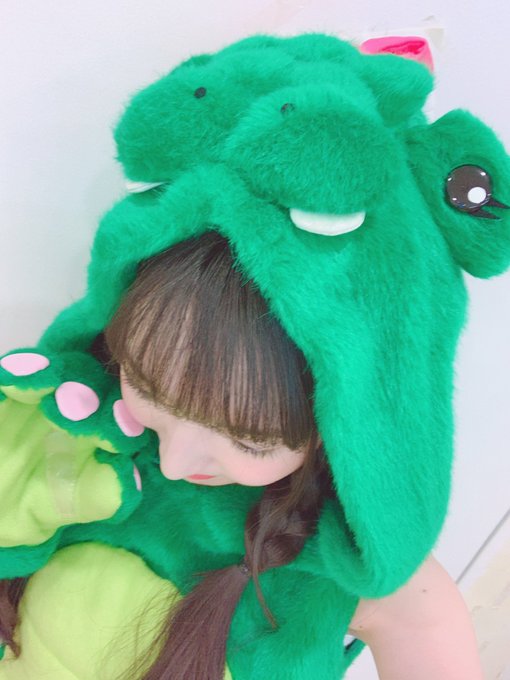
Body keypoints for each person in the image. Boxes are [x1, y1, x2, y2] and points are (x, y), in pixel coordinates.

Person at [1, 29, 506, 679]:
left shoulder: (364, 581)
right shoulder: (68, 445)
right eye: (145, 382)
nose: (175, 461)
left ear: (355, 423)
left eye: (248, 438)